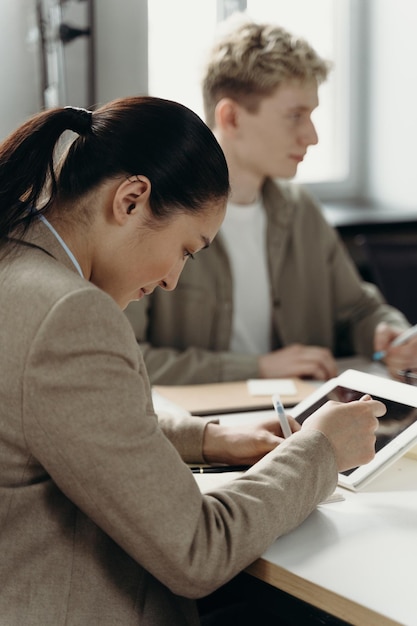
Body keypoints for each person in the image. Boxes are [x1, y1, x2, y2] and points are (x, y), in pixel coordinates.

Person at [0, 95, 385, 625]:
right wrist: (320, 451)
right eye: (185, 249)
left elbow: (62, 421)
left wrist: (209, 437)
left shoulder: (13, 260)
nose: (172, 280)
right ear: (131, 199)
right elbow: (197, 550)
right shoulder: (69, 314)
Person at [125, 17, 416, 385]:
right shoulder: (156, 214)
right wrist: (259, 368)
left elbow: (359, 309)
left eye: (311, 115)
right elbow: (128, 358)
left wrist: (388, 333)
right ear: (230, 117)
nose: (312, 136)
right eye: (295, 116)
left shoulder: (301, 211)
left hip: (302, 420)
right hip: (207, 428)